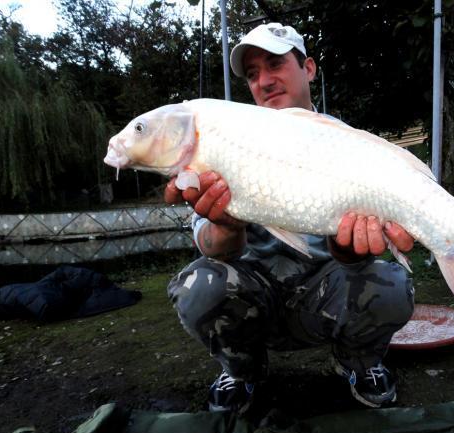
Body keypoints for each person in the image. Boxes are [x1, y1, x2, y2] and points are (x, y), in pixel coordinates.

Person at [164, 22, 415, 413]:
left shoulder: (350, 144)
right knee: (199, 284)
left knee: (391, 284)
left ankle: (357, 364)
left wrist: (350, 251)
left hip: (324, 295)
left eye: (275, 64)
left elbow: (358, 252)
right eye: (252, 74)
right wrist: (227, 223)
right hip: (252, 296)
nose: (263, 81)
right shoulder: (222, 139)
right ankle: (242, 370)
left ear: (309, 68)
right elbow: (208, 246)